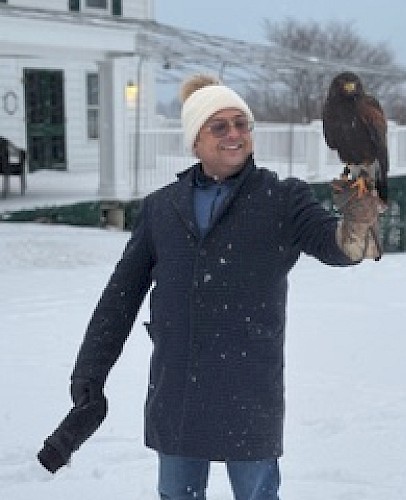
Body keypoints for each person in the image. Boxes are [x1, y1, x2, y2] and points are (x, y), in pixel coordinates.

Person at [38, 74, 381, 499]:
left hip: (249, 387)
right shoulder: (162, 208)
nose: (234, 134)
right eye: (219, 126)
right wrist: (90, 372)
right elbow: (119, 298)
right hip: (179, 390)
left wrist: (356, 226)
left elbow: (335, 246)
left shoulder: (282, 198)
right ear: (195, 141)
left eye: (242, 123)